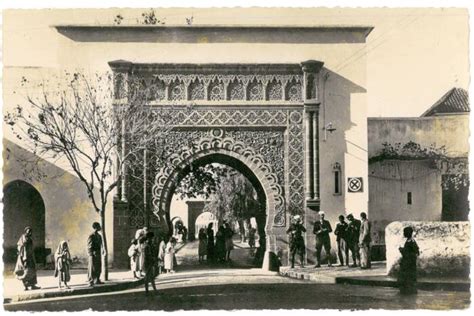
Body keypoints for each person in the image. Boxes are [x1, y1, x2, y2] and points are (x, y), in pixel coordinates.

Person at [398, 226, 420, 295]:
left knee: (407, 276)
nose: (403, 233)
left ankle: (408, 290)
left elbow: (411, 252)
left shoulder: (410, 242)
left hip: (408, 263)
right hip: (409, 262)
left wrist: (401, 250)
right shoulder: (410, 240)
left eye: (404, 232)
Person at [87, 222, 104, 286]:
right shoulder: (91, 236)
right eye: (98, 226)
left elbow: (101, 245)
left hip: (98, 253)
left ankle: (97, 279)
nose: (100, 228)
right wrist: (90, 254)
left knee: (98, 267)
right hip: (93, 254)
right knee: (92, 268)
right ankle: (90, 281)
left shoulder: (99, 236)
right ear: (95, 227)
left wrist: (102, 251)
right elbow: (89, 246)